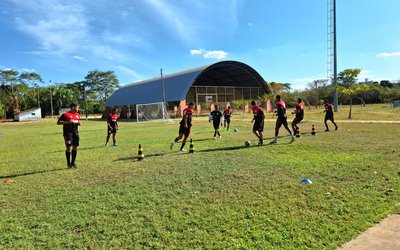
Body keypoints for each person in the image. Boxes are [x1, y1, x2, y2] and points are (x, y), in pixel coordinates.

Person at [57, 103, 81, 169]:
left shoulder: (77, 115)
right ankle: (68, 163)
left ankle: (73, 162)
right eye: (77, 107)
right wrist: (67, 122)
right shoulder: (65, 114)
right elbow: (58, 122)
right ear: (73, 107)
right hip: (68, 134)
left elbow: (75, 122)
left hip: (75, 134)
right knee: (68, 148)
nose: (78, 109)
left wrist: (78, 123)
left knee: (75, 147)